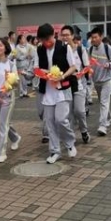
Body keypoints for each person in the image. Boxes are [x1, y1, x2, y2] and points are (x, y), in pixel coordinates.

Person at [35, 23, 78, 164]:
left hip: (62, 89)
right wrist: (44, 73)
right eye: (43, 40)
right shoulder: (40, 50)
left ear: (54, 34)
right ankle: (55, 151)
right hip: (48, 90)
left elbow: (73, 67)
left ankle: (70, 143)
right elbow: (37, 68)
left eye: (47, 39)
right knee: (50, 122)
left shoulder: (65, 47)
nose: (46, 43)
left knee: (61, 119)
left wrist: (62, 76)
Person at [61, 27, 90, 144]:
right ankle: (71, 137)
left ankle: (84, 130)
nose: (65, 37)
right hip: (66, 86)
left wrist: (80, 74)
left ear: (72, 36)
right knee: (68, 113)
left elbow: (87, 66)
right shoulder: (61, 51)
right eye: (63, 35)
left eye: (67, 35)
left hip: (79, 85)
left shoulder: (80, 49)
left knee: (79, 111)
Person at [88, 27, 111, 136]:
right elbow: (88, 64)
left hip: (107, 80)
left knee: (104, 102)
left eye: (95, 37)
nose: (93, 39)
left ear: (101, 37)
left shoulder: (107, 48)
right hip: (96, 80)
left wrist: (109, 65)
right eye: (92, 37)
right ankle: (108, 117)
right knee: (102, 102)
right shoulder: (90, 49)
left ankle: (102, 125)